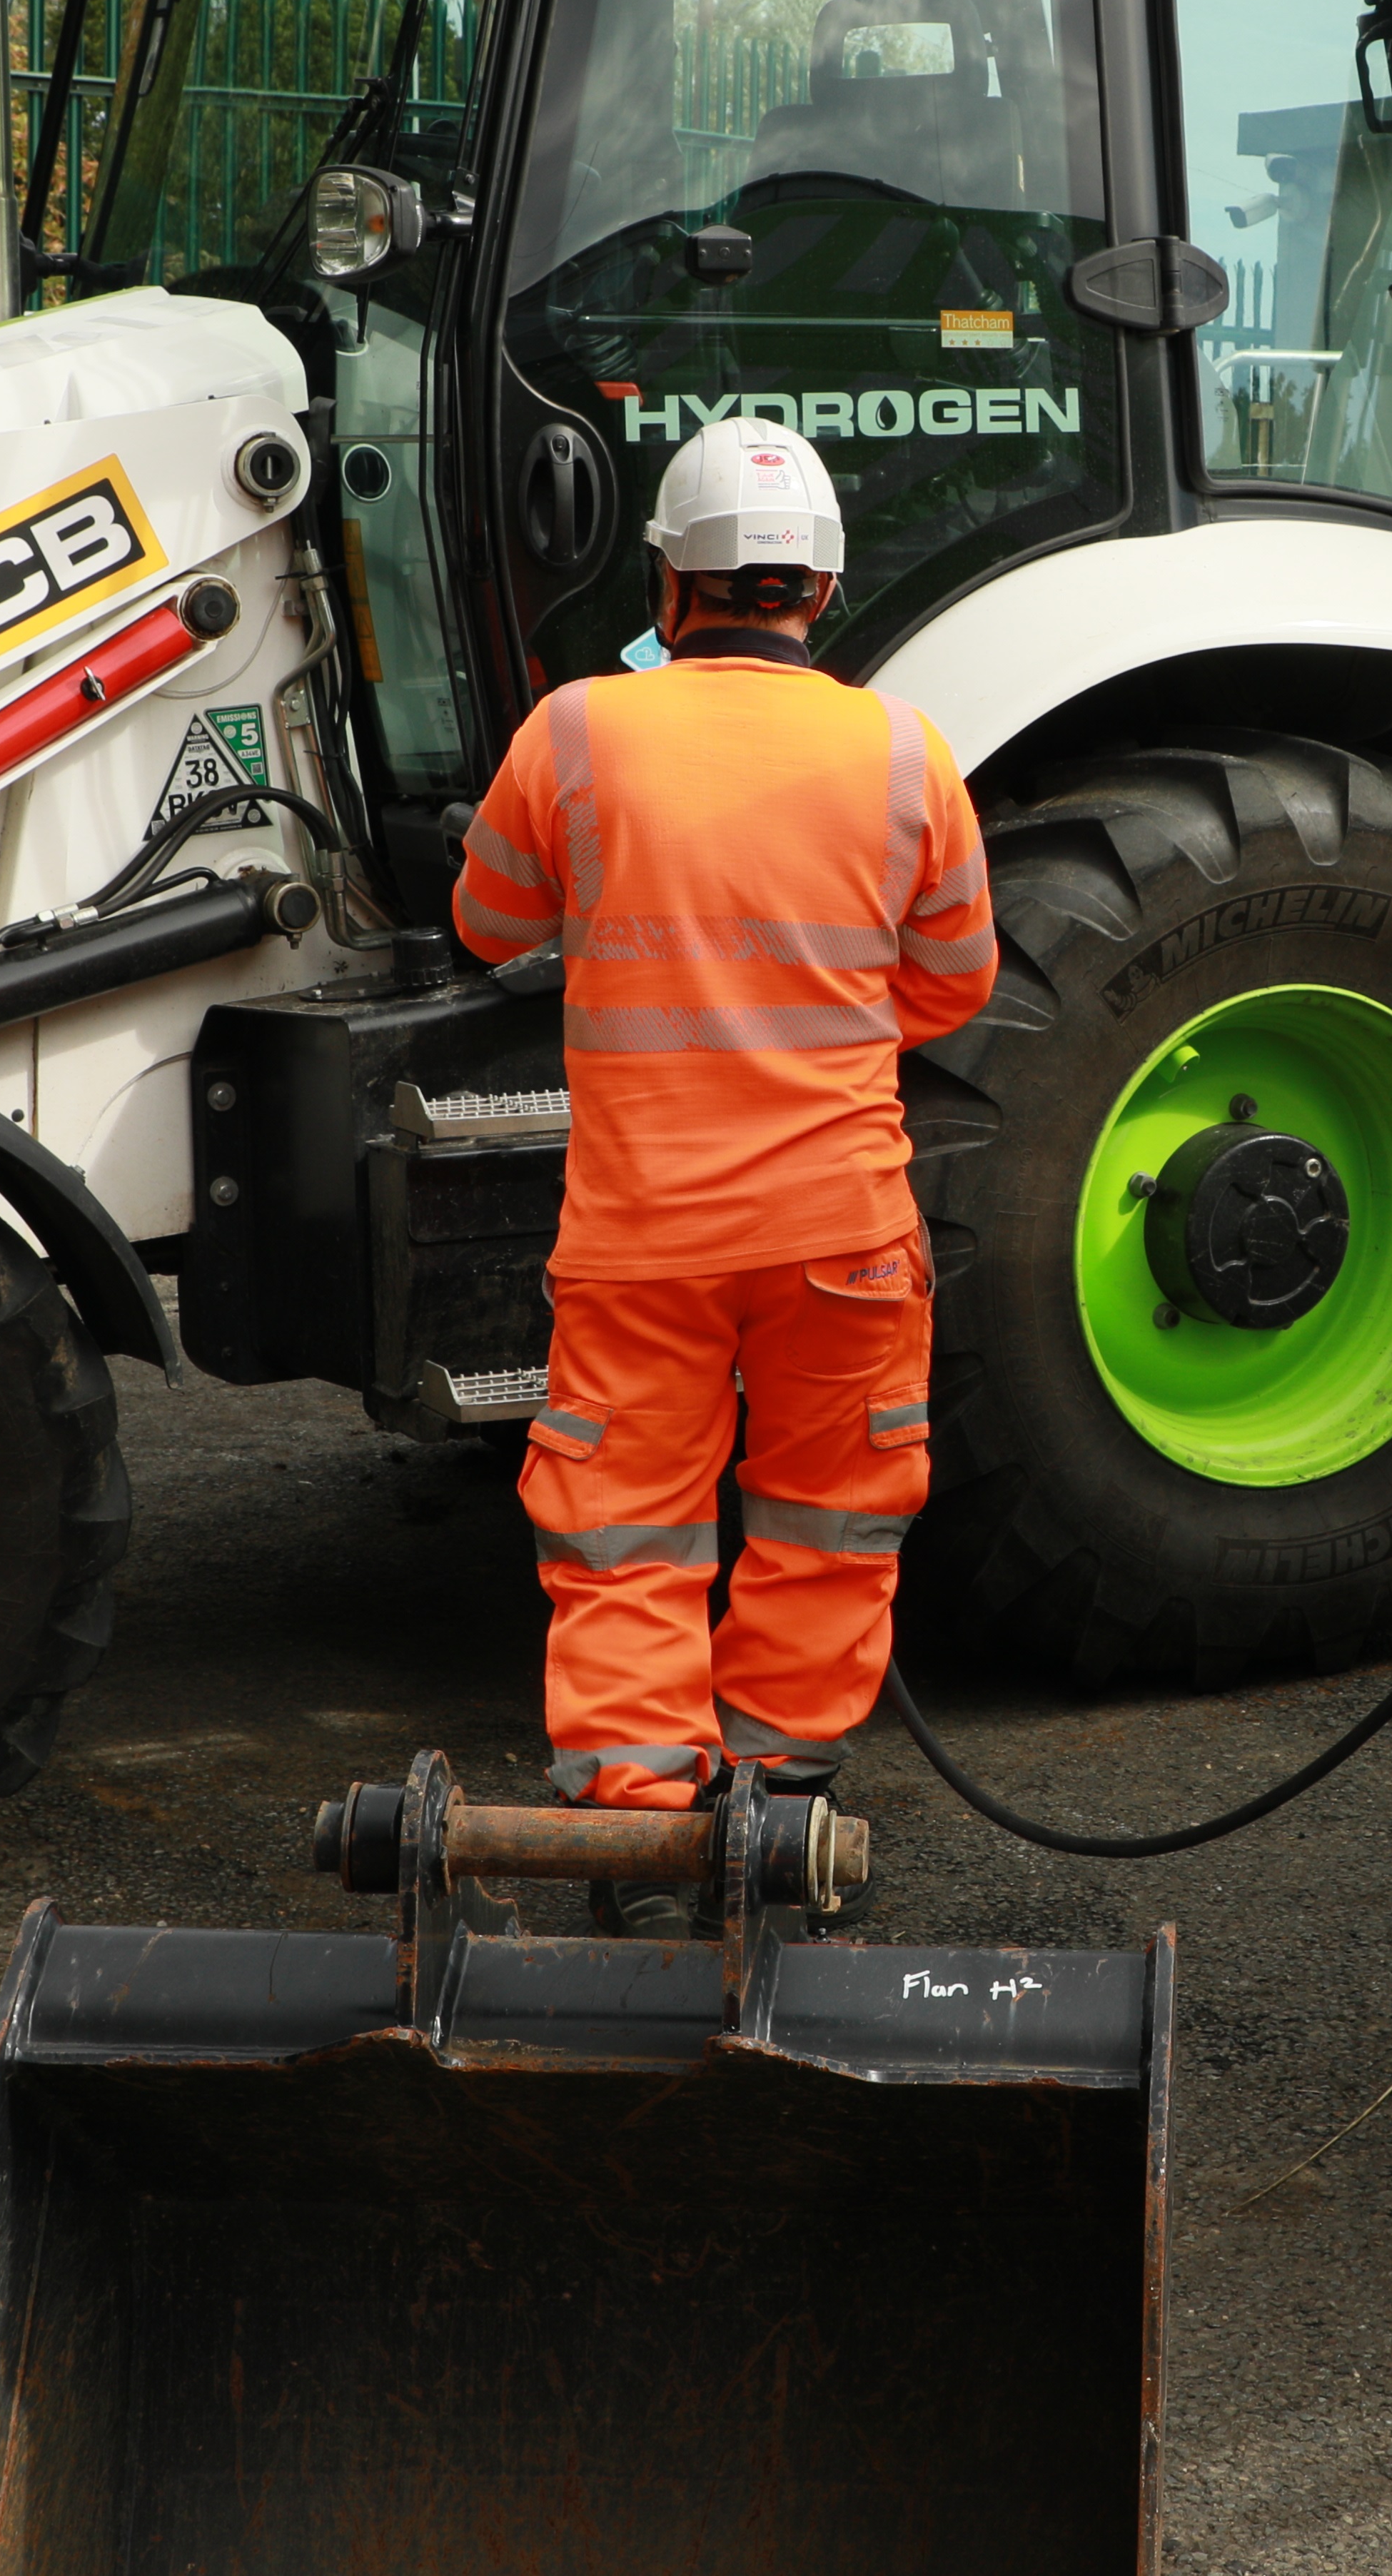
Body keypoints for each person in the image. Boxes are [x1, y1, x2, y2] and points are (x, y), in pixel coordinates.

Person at [447, 417, 994, 1934]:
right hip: (842, 1234)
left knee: (623, 1529)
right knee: (828, 1514)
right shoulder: (902, 749)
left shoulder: (575, 733)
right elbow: (951, 986)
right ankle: (777, 1815)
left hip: (641, 1240)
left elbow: (488, 921)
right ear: (820, 583)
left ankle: (634, 1834)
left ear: (667, 586)